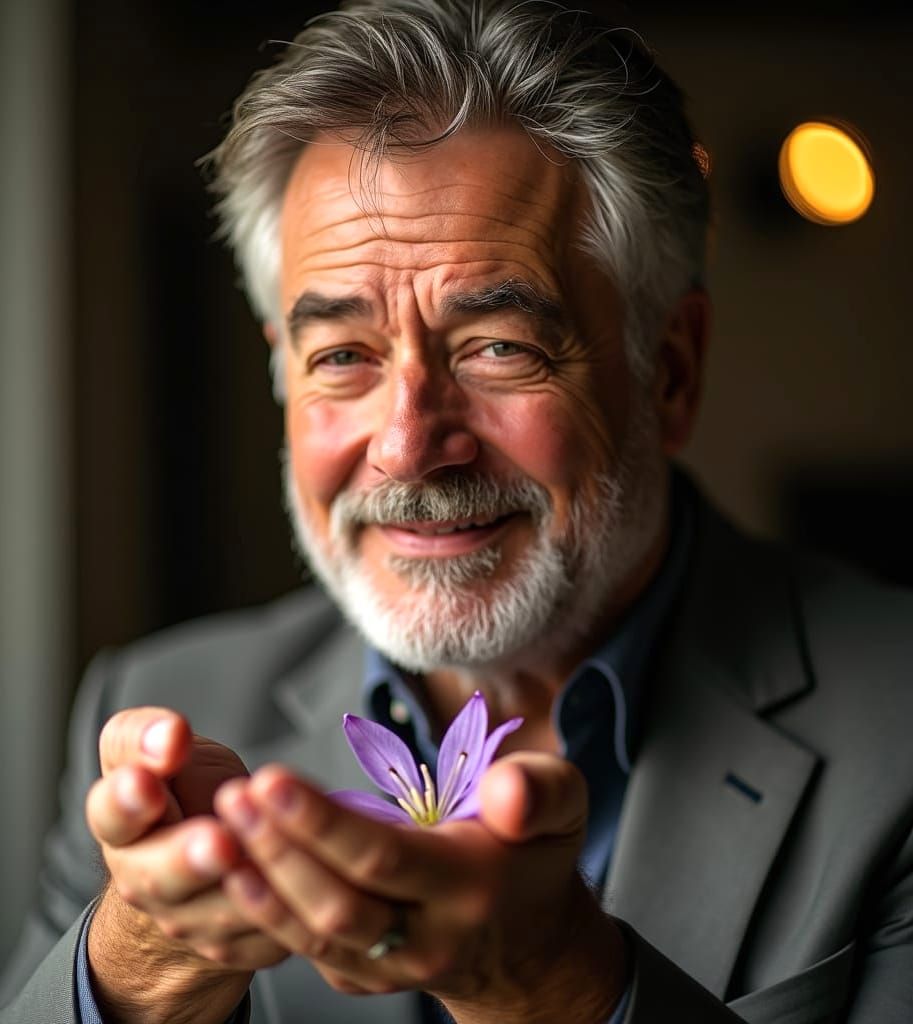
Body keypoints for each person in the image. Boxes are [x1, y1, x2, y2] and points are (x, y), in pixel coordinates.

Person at [1, 1, 911, 1021]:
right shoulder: (156, 708)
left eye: (498, 348)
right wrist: (131, 972)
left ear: (672, 372)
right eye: (341, 355)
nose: (405, 444)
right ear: (281, 375)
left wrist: (559, 989)